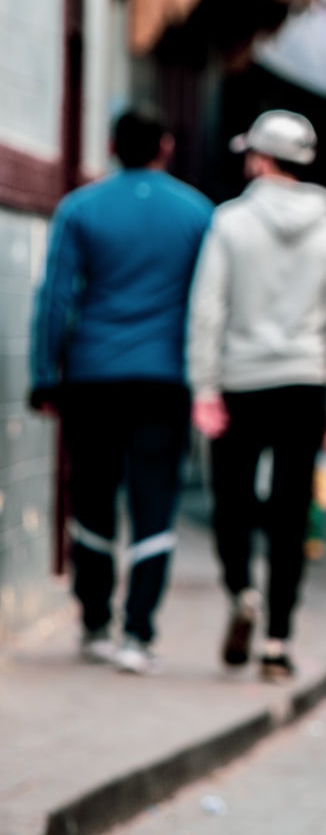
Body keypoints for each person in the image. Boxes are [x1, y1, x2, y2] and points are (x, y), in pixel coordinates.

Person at [28, 109, 213, 674]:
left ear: (110, 146)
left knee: (93, 498)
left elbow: (55, 296)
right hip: (165, 379)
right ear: (165, 146)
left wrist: (43, 374)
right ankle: (138, 633)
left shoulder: (79, 209)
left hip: (92, 377)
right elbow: (209, 305)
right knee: (154, 504)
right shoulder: (198, 214)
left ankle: (93, 622)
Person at [188, 110, 326, 681]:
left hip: (241, 382)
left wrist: (205, 386)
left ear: (261, 159)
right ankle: (278, 642)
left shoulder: (230, 223)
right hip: (305, 383)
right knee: (291, 515)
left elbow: (208, 310)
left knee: (232, 502)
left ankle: (242, 589)